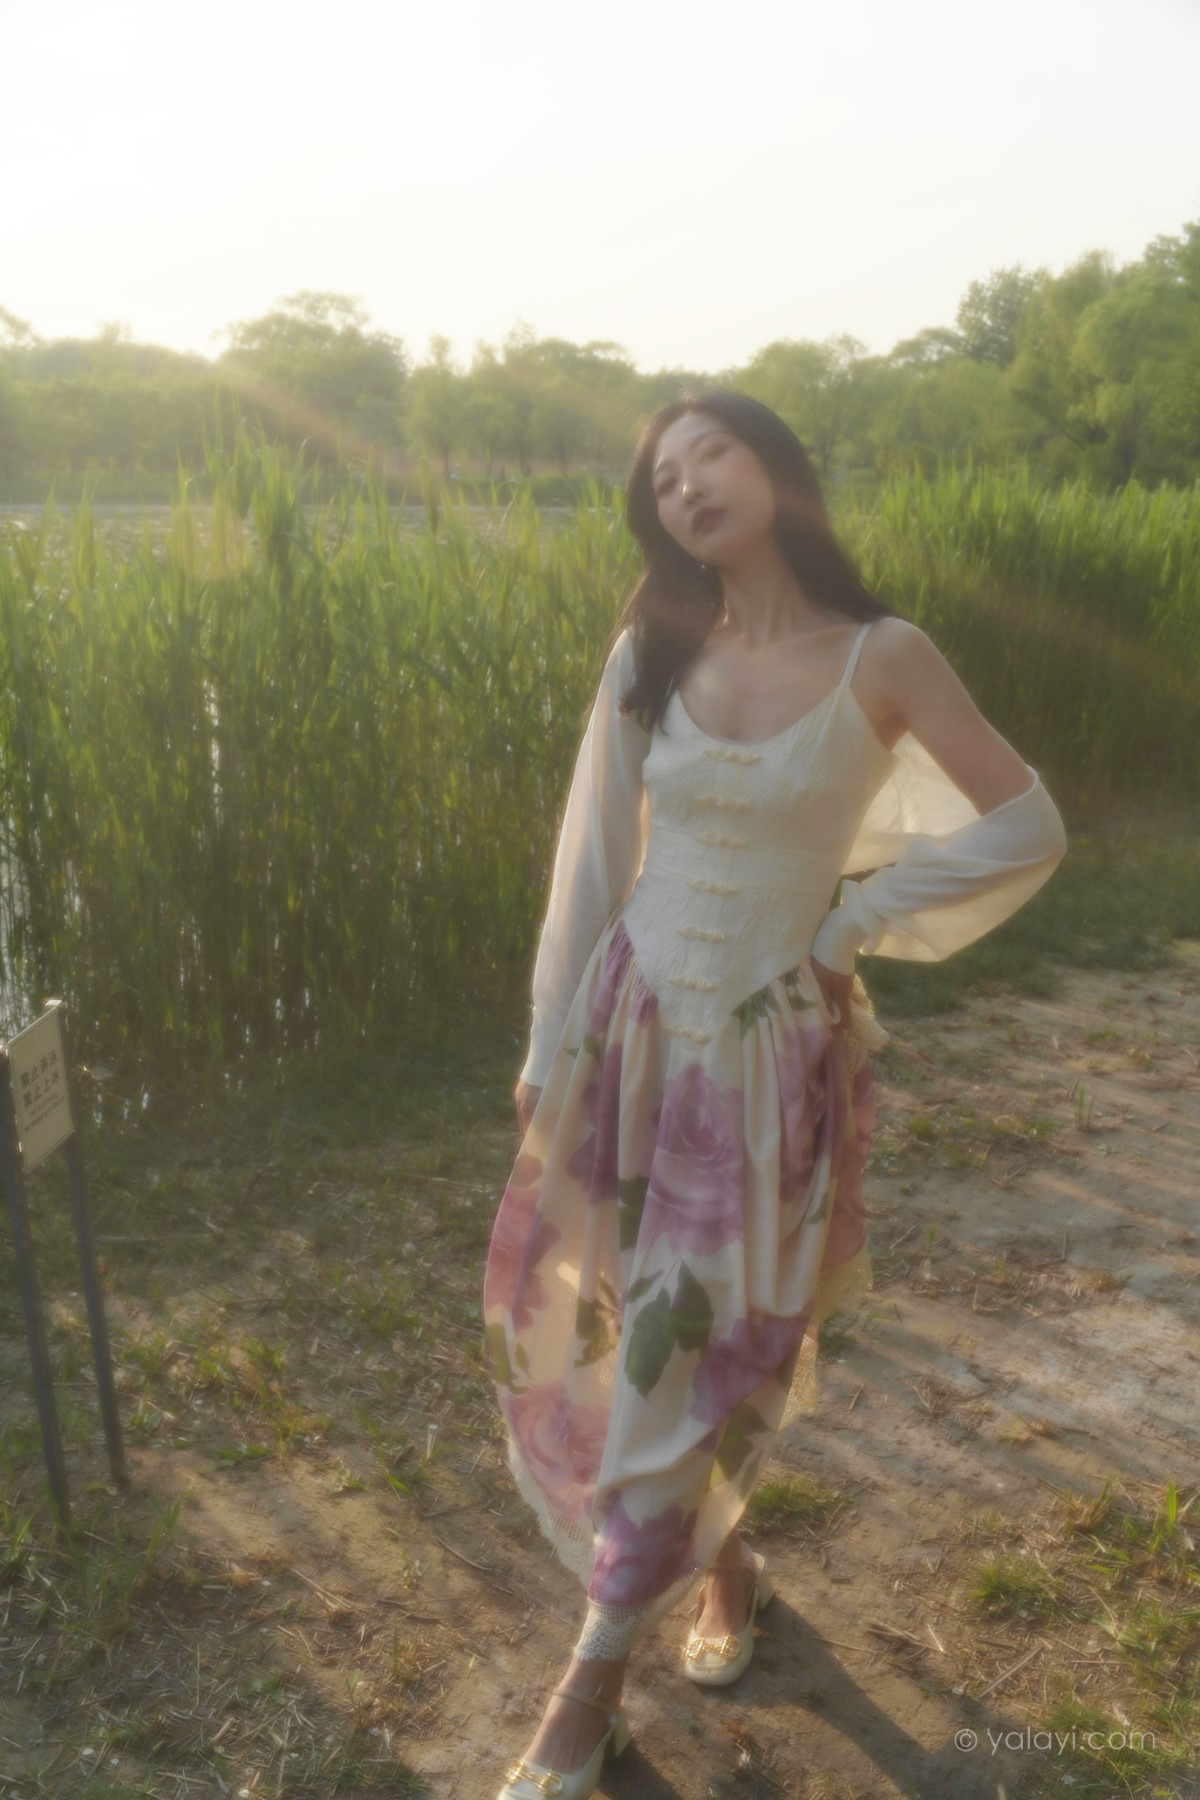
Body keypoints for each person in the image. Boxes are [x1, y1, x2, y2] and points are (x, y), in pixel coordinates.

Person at [482, 390, 1068, 1800]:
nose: (687, 486)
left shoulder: (884, 654)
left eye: (713, 454)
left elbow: (1028, 822)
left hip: (761, 1056)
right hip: (628, 1026)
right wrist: (547, 1040)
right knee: (624, 1320)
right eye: (663, 477)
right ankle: (725, 1566)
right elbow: (592, 850)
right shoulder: (655, 647)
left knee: (682, 1349)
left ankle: (584, 1697)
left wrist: (853, 924)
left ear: (774, 468)